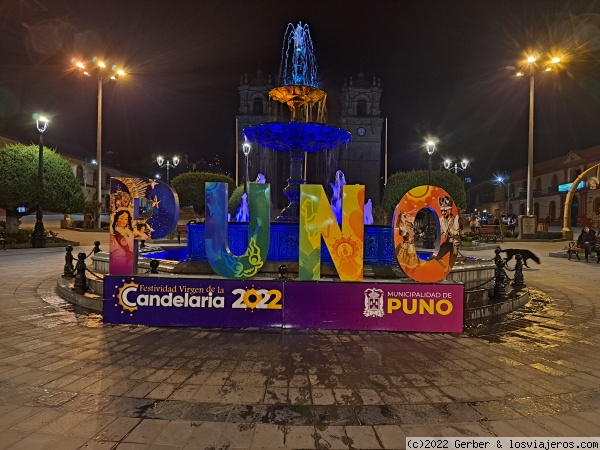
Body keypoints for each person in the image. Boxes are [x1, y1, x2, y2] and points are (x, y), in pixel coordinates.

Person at [435, 196, 461, 269]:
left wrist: (451, 234)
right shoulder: (441, 220)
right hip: (447, 242)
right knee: (437, 256)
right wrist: (444, 234)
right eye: (442, 211)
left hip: (454, 242)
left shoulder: (456, 218)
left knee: (453, 258)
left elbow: (456, 232)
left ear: (450, 210)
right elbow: (441, 231)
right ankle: (445, 267)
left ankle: (449, 269)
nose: (443, 213)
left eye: (445, 211)